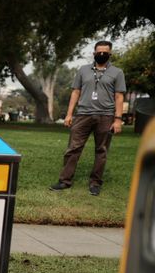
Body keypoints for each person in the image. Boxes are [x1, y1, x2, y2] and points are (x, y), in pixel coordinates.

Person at [50, 41, 126, 196]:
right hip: (83, 114)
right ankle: (65, 181)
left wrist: (117, 119)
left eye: (105, 52)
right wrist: (69, 114)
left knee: (101, 150)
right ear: (94, 53)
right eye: (99, 51)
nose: (102, 54)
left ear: (110, 54)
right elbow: (75, 92)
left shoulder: (117, 72)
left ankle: (95, 183)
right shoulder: (83, 70)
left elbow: (119, 96)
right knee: (73, 148)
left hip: (106, 115)